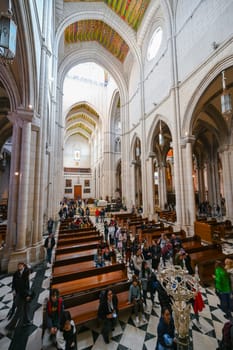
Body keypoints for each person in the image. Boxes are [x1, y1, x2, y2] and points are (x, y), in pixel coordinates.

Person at [6, 262, 32, 331]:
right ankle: (10, 326)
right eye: (18, 266)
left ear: (23, 266)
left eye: (20, 266)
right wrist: (13, 290)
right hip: (20, 295)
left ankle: (27, 321)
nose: (19, 267)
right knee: (19, 311)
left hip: (25, 293)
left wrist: (28, 295)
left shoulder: (26, 272)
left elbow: (27, 286)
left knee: (27, 308)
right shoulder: (16, 274)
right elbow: (14, 284)